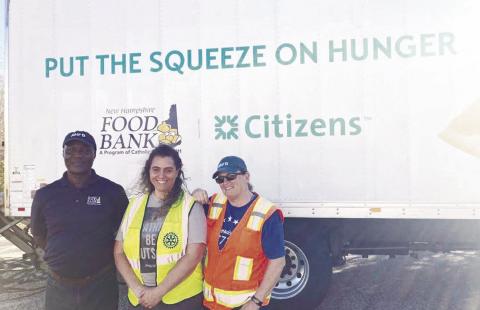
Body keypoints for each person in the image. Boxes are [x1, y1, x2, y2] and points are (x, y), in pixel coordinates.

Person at [30, 130, 129, 310]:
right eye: (71, 150)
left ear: (94, 154)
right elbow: (39, 234)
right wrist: (64, 254)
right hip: (58, 285)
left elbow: (125, 234)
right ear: (63, 154)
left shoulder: (113, 192)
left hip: (101, 285)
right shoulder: (45, 195)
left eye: (84, 150)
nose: (77, 155)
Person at [114, 144, 206, 310]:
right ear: (149, 171)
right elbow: (118, 252)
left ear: (177, 172)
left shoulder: (191, 206)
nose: (161, 175)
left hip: (181, 300)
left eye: (168, 170)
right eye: (156, 169)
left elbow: (194, 255)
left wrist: (158, 292)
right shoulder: (135, 204)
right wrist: (138, 289)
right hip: (140, 299)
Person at [193, 156, 286, 310]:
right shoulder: (213, 203)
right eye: (220, 179)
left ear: (246, 176)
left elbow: (277, 262)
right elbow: (187, 211)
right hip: (211, 303)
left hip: (245, 305)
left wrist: (256, 301)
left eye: (231, 176)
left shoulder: (267, 213)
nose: (225, 183)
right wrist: (195, 193)